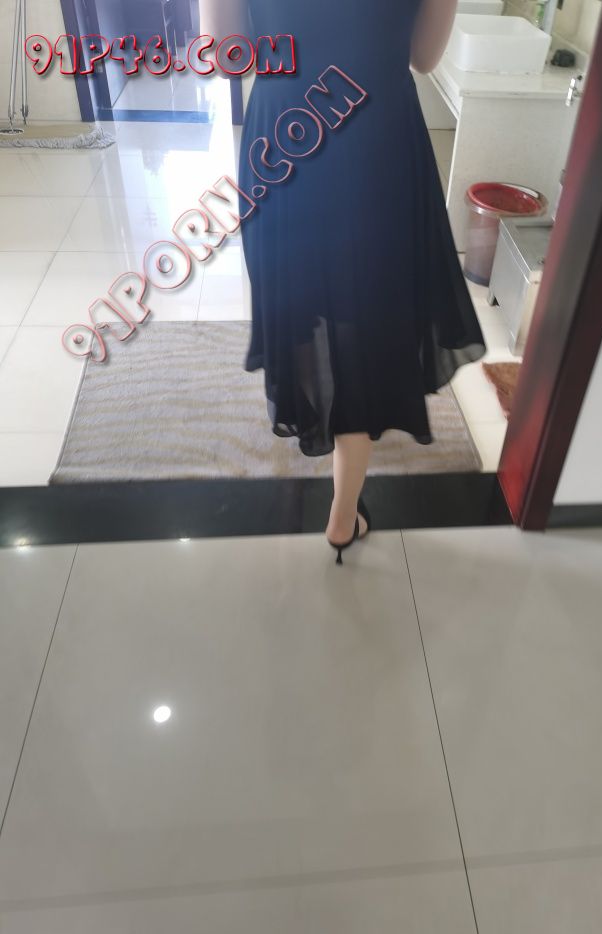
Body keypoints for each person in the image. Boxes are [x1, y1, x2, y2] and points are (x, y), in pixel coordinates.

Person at [199, 0, 486, 563]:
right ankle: (342, 512)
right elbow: (424, 57)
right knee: (365, 311)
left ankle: (314, 412)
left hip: (286, 135)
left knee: (301, 293)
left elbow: (229, 56)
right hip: (378, 137)